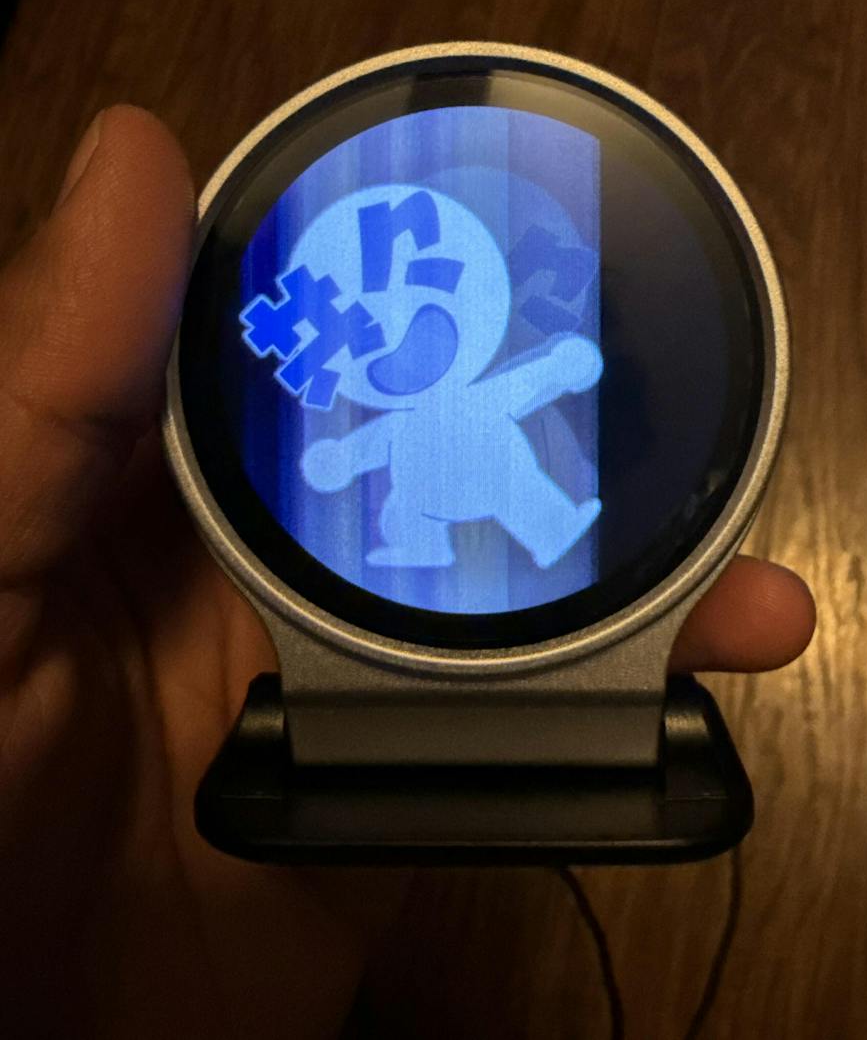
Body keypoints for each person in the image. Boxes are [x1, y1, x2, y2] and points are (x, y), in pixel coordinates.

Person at [0, 106, 816, 1039]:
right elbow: (368, 446)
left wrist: (555, 370)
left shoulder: (467, 382)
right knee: (430, 512)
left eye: (420, 321)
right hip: (341, 652)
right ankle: (501, 532)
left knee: (520, 496)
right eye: (371, 339)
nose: (396, 350)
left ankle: (547, 525)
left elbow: (511, 388)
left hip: (483, 554)